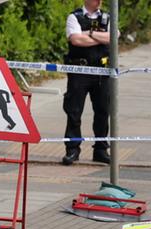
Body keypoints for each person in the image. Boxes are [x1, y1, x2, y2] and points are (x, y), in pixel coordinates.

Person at [62, 0, 112, 166]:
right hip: (79, 71)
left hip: (102, 72)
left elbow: (113, 37)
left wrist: (89, 34)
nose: (100, 1)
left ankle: (101, 150)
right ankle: (72, 150)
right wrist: (100, 37)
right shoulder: (74, 17)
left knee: (103, 111)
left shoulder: (107, 17)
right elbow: (76, 40)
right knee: (74, 111)